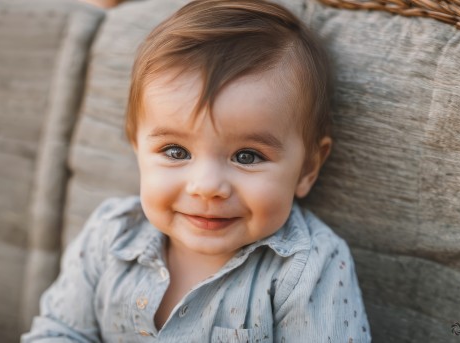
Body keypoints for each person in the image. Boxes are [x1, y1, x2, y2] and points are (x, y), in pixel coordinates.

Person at [22, 0, 371, 341]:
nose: (207, 186)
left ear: (308, 168)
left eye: (247, 156)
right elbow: (59, 330)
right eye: (176, 151)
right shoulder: (109, 236)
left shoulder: (308, 268)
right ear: (137, 149)